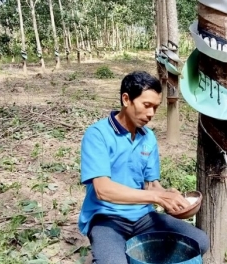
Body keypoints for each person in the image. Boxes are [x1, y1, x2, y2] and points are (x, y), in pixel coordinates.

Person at [78, 71, 209, 264]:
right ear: (126, 99)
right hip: (108, 219)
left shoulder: (148, 138)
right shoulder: (98, 134)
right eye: (146, 105)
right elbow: (103, 190)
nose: (151, 114)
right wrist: (157, 197)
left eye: (155, 108)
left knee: (200, 241)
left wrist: (169, 197)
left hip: (144, 217)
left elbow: (151, 185)